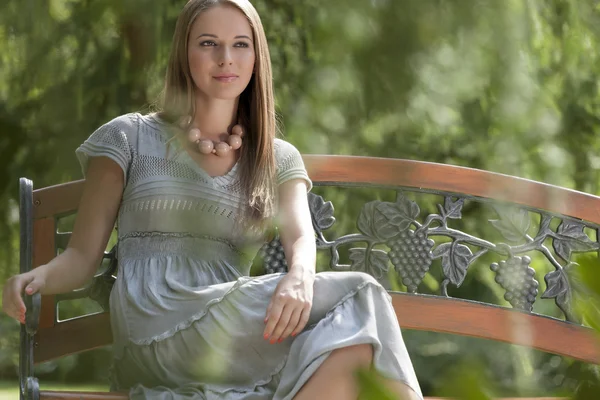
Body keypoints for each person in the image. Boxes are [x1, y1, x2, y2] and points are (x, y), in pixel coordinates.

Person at [2, 1, 423, 399]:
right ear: (184, 53)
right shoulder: (129, 137)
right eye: (209, 43)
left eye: (241, 44)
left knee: (358, 348)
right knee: (363, 294)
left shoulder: (276, 158)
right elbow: (81, 256)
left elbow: (301, 237)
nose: (226, 58)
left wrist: (300, 277)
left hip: (231, 331)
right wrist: (35, 277)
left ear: (256, 58)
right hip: (153, 321)